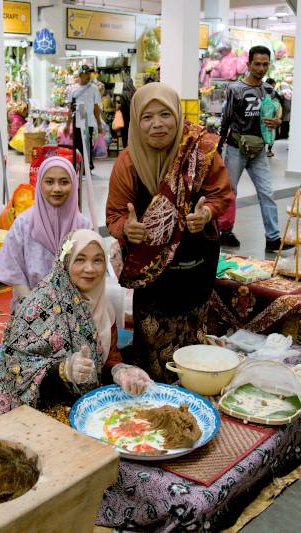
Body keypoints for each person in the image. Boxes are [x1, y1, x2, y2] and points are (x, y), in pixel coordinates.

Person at [106, 83, 232, 382]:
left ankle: (194, 386)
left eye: (165, 114)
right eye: (147, 117)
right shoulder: (128, 161)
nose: (157, 123)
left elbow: (221, 194)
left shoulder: (200, 152)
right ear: (136, 121)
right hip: (152, 271)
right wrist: (127, 228)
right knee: (151, 339)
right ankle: (153, 395)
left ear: (178, 115)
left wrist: (205, 214)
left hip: (196, 261)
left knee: (193, 329)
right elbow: (114, 214)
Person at [0, 230, 152, 428]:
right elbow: (16, 364)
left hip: (75, 396)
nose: (90, 269)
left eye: (97, 260)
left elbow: (109, 358)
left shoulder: (105, 307)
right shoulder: (40, 303)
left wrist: (121, 371)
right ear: (65, 263)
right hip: (25, 402)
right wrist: (64, 370)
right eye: (80, 259)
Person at [0, 156, 91, 313]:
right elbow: (13, 269)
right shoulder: (24, 224)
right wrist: (34, 308)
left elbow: (90, 272)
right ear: (39, 184)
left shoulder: (83, 226)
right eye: (49, 182)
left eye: (64, 182)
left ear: (74, 184)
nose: (56, 188)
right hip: (29, 307)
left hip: (73, 309)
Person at [218, 45, 282, 252]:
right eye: (257, 64)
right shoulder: (235, 89)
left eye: (265, 64)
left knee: (267, 192)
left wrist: (277, 122)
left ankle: (273, 238)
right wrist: (219, 146)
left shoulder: (269, 90)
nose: (261, 68)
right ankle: (225, 231)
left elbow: (275, 114)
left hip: (259, 151)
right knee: (229, 192)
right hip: (236, 147)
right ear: (248, 64)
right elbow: (225, 119)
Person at [65, 65, 102, 171]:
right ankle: (77, 166)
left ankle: (87, 167)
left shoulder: (94, 89)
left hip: (89, 122)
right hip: (77, 121)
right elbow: (71, 109)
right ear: (81, 75)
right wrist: (67, 125)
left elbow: (96, 108)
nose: (89, 76)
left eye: (90, 74)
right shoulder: (73, 89)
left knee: (87, 145)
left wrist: (99, 124)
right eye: (87, 74)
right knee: (77, 146)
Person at [262, 78, 283, 157]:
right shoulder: (266, 93)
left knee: (268, 134)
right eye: (272, 86)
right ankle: (267, 150)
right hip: (268, 117)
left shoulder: (271, 94)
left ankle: (268, 150)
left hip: (269, 117)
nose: (273, 88)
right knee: (267, 134)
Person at [119, 75, 136, 148]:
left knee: (124, 133)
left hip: (124, 116)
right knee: (132, 132)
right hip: (133, 116)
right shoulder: (135, 91)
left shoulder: (122, 93)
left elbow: (121, 104)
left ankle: (125, 147)